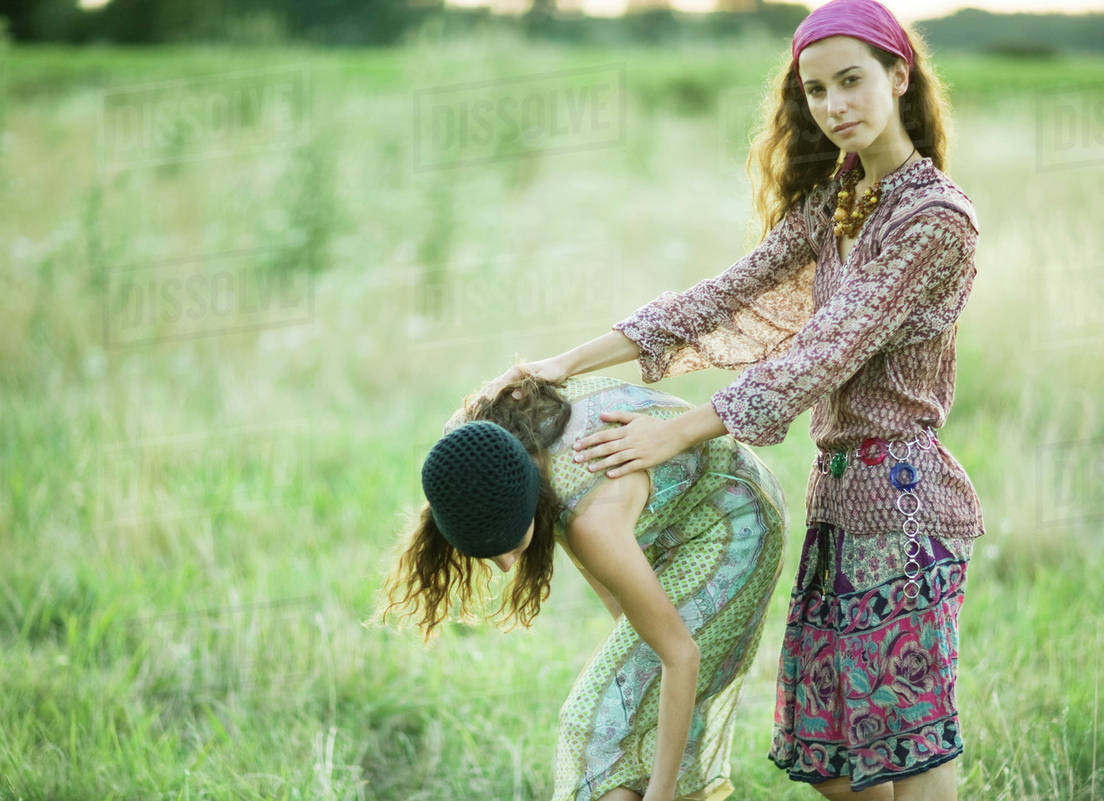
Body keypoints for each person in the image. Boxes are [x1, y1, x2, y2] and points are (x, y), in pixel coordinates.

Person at [475, 2, 983, 799]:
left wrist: (679, 431)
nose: (834, 106)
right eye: (816, 91)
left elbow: (825, 351)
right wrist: (561, 361)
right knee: (833, 762)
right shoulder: (835, 205)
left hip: (908, 505)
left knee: (905, 743)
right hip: (839, 500)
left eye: (851, 82)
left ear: (899, 75)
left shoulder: (937, 222)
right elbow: (715, 299)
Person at [381, 373, 787, 801]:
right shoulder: (477, 441)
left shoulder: (594, 521)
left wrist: (660, 793)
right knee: (617, 719)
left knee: (590, 723)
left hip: (735, 523)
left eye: (509, 545)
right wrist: (633, 658)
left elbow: (680, 654)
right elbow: (614, 592)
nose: (504, 566)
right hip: (676, 517)